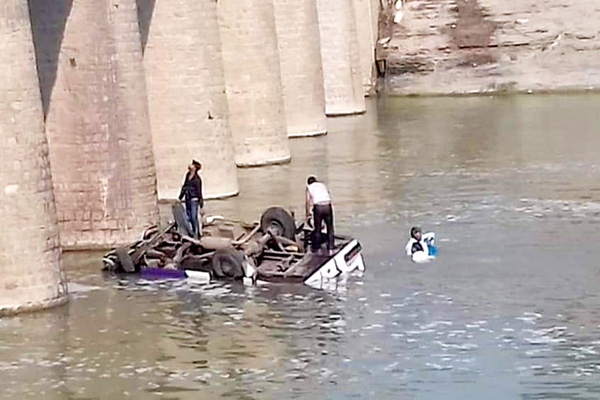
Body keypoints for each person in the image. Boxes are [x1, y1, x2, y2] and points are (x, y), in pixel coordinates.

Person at [305, 175, 335, 255]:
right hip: (328, 205)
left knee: (317, 229)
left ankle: (316, 248)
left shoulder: (309, 187)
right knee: (330, 228)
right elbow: (327, 195)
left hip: (318, 207)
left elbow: (308, 202)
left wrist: (307, 215)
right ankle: (331, 248)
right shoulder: (322, 185)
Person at [178, 160, 204, 238]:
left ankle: (196, 234)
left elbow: (199, 192)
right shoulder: (188, 175)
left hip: (194, 199)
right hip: (187, 198)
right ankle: (192, 232)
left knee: (193, 217)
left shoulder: (197, 179)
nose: (190, 165)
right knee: (188, 216)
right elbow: (184, 187)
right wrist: (180, 197)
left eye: (192, 165)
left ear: (195, 168)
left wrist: (201, 205)